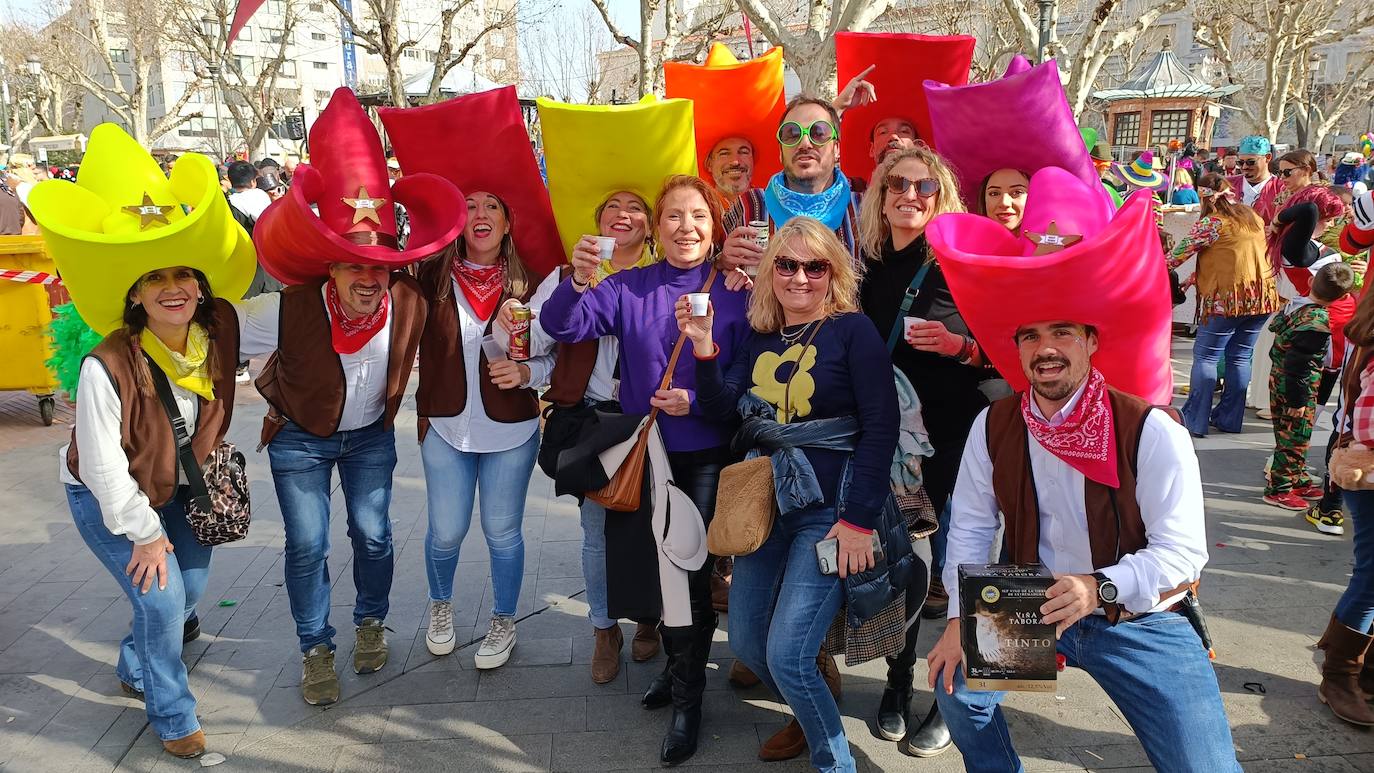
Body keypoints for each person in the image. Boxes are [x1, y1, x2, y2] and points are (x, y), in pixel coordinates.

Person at [31, 124, 256, 759]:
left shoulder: (220, 329)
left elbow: (294, 330)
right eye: (155, 278)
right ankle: (174, 716)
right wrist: (145, 531)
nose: (173, 288)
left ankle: (135, 664)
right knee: (161, 601)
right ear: (134, 292)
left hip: (179, 486)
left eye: (183, 273)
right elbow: (104, 469)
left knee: (192, 584)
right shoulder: (105, 364)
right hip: (110, 497)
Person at [237, 87, 464, 706]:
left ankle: (370, 620)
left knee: (373, 536)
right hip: (300, 439)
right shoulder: (284, 308)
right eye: (352, 265)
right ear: (328, 267)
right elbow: (213, 327)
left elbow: (469, 323)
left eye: (380, 266)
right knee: (308, 544)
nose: (369, 277)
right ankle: (315, 647)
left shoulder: (410, 302)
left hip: (369, 438)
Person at [540, 174, 752, 766]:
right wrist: (579, 279)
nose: (686, 227)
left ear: (716, 228)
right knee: (657, 574)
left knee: (689, 572)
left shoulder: (738, 291)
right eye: (674, 217)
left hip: (706, 453)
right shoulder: (629, 286)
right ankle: (682, 669)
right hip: (644, 454)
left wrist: (701, 400)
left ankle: (689, 698)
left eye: (699, 217)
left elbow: (745, 384)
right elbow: (563, 326)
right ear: (657, 229)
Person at [687, 216, 903, 772]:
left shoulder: (852, 332)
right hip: (767, 505)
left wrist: (856, 522)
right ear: (770, 272)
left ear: (833, 272)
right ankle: (813, 707)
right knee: (749, 643)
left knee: (788, 654)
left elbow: (881, 427)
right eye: (786, 264)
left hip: (830, 510)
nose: (800, 277)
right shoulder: (761, 334)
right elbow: (722, 408)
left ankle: (836, 762)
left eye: (814, 266)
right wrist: (706, 351)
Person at [858, 145, 994, 757]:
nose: (909, 195)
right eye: (896, 185)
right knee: (905, 569)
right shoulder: (860, 265)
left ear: (943, 196)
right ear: (880, 197)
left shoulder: (969, 262)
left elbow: (1013, 350)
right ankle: (898, 682)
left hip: (972, 440)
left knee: (980, 569)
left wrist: (959, 348)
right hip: (896, 446)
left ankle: (965, 701)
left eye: (924, 186)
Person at [409, 190, 549, 670]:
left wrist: (529, 373)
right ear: (456, 221)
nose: (481, 214)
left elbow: (556, 351)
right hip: (445, 425)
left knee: (501, 531)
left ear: (508, 223)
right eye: (469, 206)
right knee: (445, 531)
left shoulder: (532, 282)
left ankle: (504, 621)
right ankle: (441, 606)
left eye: (493, 206)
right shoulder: (429, 276)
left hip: (512, 429)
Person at [527, 189, 662, 683]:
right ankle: (604, 629)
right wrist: (510, 328)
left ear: (650, 226)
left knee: (655, 527)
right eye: (612, 207)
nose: (623, 215)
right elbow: (537, 337)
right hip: (593, 421)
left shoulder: (664, 276)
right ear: (597, 221)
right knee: (596, 534)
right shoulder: (567, 276)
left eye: (635, 209)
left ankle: (651, 619)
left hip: (653, 421)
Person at [1168, 173, 1280, 438]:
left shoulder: (1211, 223)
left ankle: (1195, 419)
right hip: (1260, 297)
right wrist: (1194, 277)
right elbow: (1237, 254)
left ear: (1204, 196)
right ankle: (1229, 418)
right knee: (1240, 357)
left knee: (1206, 357)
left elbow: (1172, 259)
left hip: (1227, 300)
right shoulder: (1251, 217)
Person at [1317, 250, 1374, 727]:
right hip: (1368, 469)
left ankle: (1360, 668)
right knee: (1372, 578)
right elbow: (1366, 421)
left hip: (1360, 464)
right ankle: (1340, 674)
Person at [720, 97, 865, 268]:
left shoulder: (863, 209)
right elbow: (704, 264)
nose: (804, 143)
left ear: (836, 148)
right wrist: (722, 261)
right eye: (792, 134)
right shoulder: (750, 204)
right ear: (780, 151)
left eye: (818, 133)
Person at [1263, 262, 1356, 511]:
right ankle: (1279, 488)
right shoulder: (1316, 322)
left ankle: (1297, 476)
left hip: (1282, 380)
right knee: (1293, 437)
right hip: (1296, 387)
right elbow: (1300, 364)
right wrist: (1298, 401)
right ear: (1344, 297)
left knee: (1295, 435)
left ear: (1310, 283)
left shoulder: (1296, 305)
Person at [1230, 135, 1284, 220]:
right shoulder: (1227, 184)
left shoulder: (1281, 188)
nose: (1244, 167)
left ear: (1267, 158)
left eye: (1250, 162)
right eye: (1240, 162)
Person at [976, 168, 1029, 234]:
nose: (1004, 203)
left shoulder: (1044, 242)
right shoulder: (967, 243)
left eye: (1017, 192)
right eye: (994, 193)